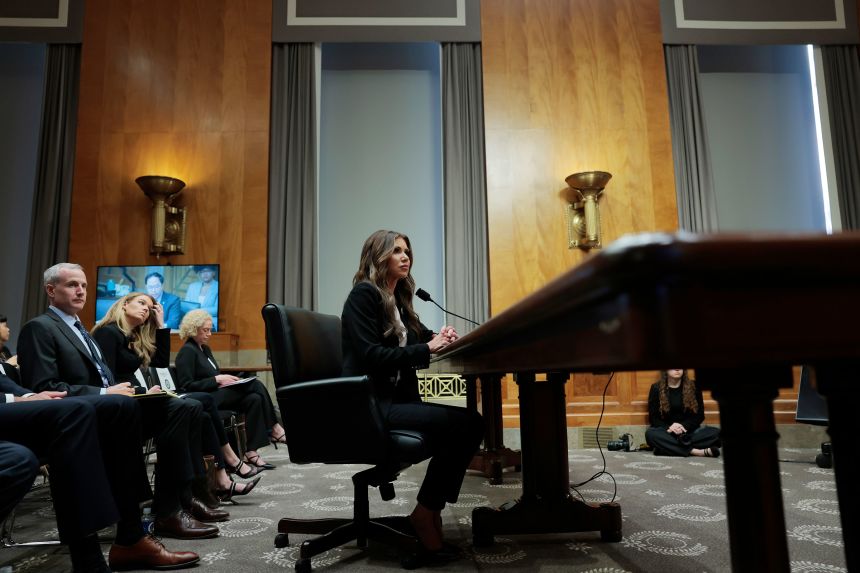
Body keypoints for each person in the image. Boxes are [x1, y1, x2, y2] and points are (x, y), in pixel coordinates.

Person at [17, 263, 219, 540]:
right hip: (80, 416)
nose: (81, 291)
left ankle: (180, 501)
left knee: (189, 407)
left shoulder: (80, 330)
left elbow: (110, 378)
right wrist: (105, 394)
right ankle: (168, 511)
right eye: (72, 285)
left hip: (109, 408)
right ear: (51, 290)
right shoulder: (40, 328)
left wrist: (137, 391)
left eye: (84, 285)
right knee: (179, 408)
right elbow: (44, 389)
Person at [341, 229, 484, 560]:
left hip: (394, 401)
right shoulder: (364, 295)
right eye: (396, 251)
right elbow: (371, 356)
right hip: (370, 406)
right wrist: (428, 348)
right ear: (378, 257)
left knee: (467, 424)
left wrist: (440, 337)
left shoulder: (397, 300)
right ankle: (426, 513)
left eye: (406, 251)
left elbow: (418, 338)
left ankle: (428, 512)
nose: (405, 256)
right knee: (468, 424)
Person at [1, 368, 199, 571]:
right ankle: (89, 562)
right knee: (76, 412)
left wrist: (27, 396)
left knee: (123, 406)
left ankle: (132, 536)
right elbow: (46, 382)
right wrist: (16, 399)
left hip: (19, 401)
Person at [93, 293, 261, 503]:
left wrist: (160, 324)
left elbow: (160, 362)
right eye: (141, 303)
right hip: (123, 404)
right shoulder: (108, 332)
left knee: (202, 414)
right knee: (197, 404)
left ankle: (215, 484)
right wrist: (142, 392)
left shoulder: (131, 337)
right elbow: (107, 381)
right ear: (125, 304)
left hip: (137, 399)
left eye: (150, 307)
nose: (146, 309)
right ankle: (225, 468)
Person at [176, 309, 284, 472]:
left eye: (210, 330)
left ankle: (251, 451)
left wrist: (223, 380)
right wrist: (216, 380)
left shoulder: (205, 349)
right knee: (256, 385)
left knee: (254, 399)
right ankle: (275, 427)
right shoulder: (187, 351)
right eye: (205, 330)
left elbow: (213, 376)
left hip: (217, 393)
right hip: (205, 399)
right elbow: (186, 385)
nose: (209, 334)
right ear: (193, 329)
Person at [646, 369, 721, 457]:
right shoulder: (656, 388)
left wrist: (683, 426)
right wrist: (670, 427)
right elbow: (654, 418)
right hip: (668, 433)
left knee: (718, 434)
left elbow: (699, 415)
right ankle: (695, 451)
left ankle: (666, 448)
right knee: (650, 434)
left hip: (689, 432)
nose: (677, 369)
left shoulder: (694, 386)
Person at [184, 265, 219, 329]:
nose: (205, 274)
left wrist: (198, 311)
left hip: (210, 322)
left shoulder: (218, 286)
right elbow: (187, 306)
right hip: (193, 321)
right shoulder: (192, 286)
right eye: (202, 271)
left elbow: (217, 309)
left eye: (208, 271)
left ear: (214, 273)